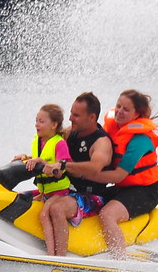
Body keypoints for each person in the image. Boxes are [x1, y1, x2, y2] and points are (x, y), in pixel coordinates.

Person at [82, 89, 158, 260]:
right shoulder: (112, 127)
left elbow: (118, 176)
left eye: (126, 109)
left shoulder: (140, 140)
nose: (119, 111)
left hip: (146, 192)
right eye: (118, 106)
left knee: (107, 214)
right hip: (123, 189)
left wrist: (86, 174)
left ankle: (120, 262)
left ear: (136, 114)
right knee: (83, 198)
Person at [37, 92, 114, 256]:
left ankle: (60, 259)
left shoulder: (101, 142)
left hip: (92, 196)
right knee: (23, 198)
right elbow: (48, 144)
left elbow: (94, 168)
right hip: (65, 190)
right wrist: (28, 159)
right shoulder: (69, 133)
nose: (70, 118)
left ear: (92, 118)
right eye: (71, 113)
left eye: (76, 115)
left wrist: (63, 165)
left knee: (57, 209)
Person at [12, 104, 72, 203]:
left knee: (44, 211)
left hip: (59, 193)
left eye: (41, 121)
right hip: (44, 192)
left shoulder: (60, 144)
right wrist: (25, 158)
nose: (36, 124)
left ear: (54, 125)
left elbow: (59, 173)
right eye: (36, 121)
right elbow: (42, 157)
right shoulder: (39, 141)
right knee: (19, 202)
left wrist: (40, 161)